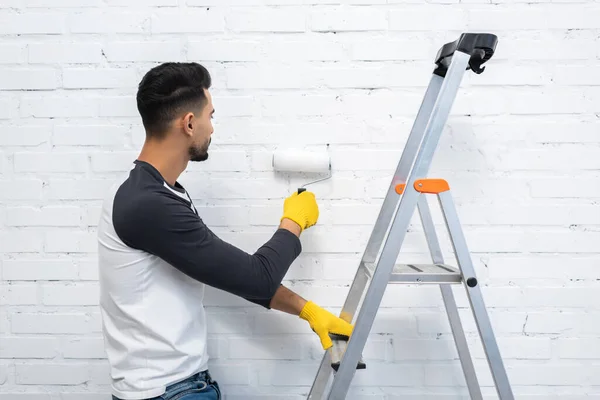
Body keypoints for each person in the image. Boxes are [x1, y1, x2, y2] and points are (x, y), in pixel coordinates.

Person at [97, 62, 354, 400]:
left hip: (176, 388)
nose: (212, 128)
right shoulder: (148, 205)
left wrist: (307, 311)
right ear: (189, 123)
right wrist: (293, 222)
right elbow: (257, 276)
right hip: (165, 393)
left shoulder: (155, 193)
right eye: (210, 116)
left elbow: (232, 273)